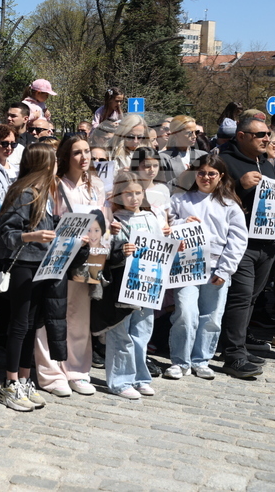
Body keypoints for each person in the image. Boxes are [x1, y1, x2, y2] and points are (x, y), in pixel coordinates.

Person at [33, 136, 106, 398]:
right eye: (77, 152)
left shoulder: (96, 185)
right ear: (66, 156)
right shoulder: (54, 184)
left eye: (87, 151)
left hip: (87, 257)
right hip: (59, 256)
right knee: (51, 314)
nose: (84, 157)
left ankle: (76, 370)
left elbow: (102, 218)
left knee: (79, 315)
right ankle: (51, 373)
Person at [163, 155, 247, 381]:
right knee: (185, 312)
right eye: (201, 173)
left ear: (221, 176)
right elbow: (166, 226)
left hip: (216, 268)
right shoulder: (179, 199)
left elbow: (238, 240)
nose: (206, 177)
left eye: (212, 173)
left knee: (211, 317)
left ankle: (201, 360)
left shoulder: (229, 205)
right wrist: (181, 224)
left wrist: (225, 269)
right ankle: (180, 361)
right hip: (186, 266)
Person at [0, 144, 63, 412]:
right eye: (54, 161)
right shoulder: (23, 193)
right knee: (19, 324)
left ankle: (24, 378)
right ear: (44, 165)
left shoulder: (44, 193)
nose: (57, 166)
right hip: (22, 264)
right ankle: (10, 383)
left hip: (41, 265)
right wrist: (31, 236)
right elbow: (5, 233)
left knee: (32, 325)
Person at [217, 117, 275, 378]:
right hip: (240, 243)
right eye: (260, 135)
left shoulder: (265, 163)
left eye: (267, 134)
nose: (266, 139)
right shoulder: (224, 161)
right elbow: (212, 200)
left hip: (267, 242)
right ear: (241, 136)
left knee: (251, 297)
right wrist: (239, 186)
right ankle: (233, 356)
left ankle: (237, 345)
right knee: (240, 297)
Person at [105, 170, 167, 399]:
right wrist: (119, 248)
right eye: (128, 194)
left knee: (142, 332)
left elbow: (160, 247)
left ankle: (141, 377)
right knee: (121, 334)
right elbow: (106, 253)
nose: (134, 198)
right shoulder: (115, 220)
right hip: (123, 284)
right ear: (119, 195)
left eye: (138, 193)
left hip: (148, 284)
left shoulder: (151, 218)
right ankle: (120, 381)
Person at [158, 115, 206, 190]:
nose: (194, 136)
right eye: (189, 133)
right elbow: (160, 188)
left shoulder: (203, 155)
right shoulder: (163, 157)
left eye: (196, 132)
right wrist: (182, 177)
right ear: (175, 134)